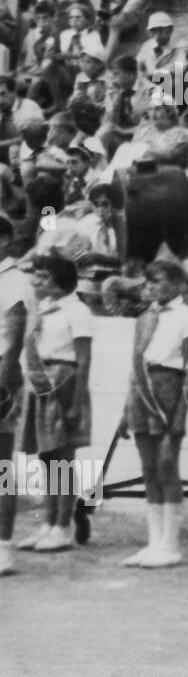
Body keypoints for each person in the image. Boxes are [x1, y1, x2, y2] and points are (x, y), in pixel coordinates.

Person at [120, 258, 188, 568]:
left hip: (169, 388)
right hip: (142, 391)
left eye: (159, 281)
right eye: (149, 282)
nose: (152, 287)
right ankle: (154, 542)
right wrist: (126, 410)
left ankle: (171, 544)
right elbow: (135, 366)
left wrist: (182, 410)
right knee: (149, 469)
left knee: (167, 464)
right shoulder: (144, 318)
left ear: (179, 285)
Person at [14, 254, 93, 555]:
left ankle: (63, 525)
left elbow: (84, 359)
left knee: (62, 458)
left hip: (64, 380)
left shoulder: (78, 310)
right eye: (36, 276)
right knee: (46, 459)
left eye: (44, 277)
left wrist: (75, 404)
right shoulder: (43, 309)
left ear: (61, 281)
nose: (37, 281)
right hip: (40, 380)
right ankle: (48, 522)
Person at [0, 218, 34, 575]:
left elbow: (16, 326)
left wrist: (5, 380)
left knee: (1, 467)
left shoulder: (13, 280)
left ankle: (4, 547)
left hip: (1, 371)